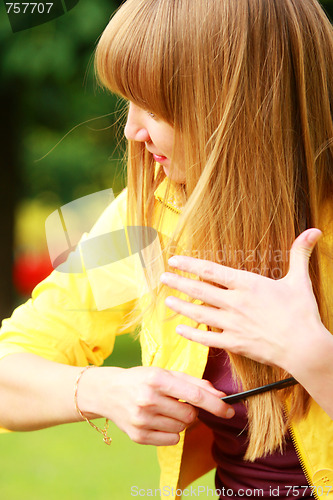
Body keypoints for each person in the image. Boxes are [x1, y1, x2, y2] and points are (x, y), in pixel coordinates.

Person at [0, 0, 333, 498]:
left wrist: (312, 356)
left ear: (238, 103)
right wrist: (103, 390)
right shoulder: (150, 217)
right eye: (128, 102)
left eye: (156, 106)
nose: (133, 132)